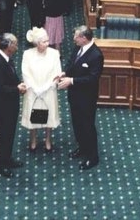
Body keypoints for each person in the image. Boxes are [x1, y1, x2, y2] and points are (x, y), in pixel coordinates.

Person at [57, 26, 104, 171]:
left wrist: (71, 81)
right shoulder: (78, 47)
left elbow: (92, 78)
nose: (73, 39)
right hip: (74, 95)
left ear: (84, 38)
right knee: (77, 123)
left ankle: (92, 157)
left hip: (86, 97)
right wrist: (64, 73)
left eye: (76, 36)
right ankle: (82, 147)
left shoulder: (96, 55)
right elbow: (72, 63)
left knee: (87, 126)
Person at [0, 33, 27, 178]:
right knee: (3, 135)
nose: (17, 46)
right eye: (15, 44)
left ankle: (7, 158)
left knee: (9, 133)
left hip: (10, 104)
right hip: (1, 106)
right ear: (8, 46)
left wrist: (17, 84)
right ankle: (0, 165)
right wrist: (17, 89)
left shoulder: (6, 58)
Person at [21, 27, 61, 152]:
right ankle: (33, 139)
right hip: (33, 90)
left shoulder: (54, 53)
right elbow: (25, 72)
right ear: (37, 43)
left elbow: (57, 72)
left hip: (48, 90)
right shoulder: (27, 54)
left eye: (48, 41)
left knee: (48, 115)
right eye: (44, 41)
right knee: (34, 114)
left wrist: (47, 87)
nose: (47, 43)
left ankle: (48, 139)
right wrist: (34, 87)